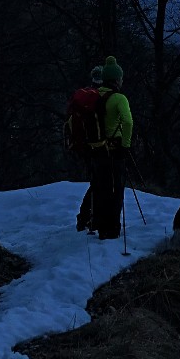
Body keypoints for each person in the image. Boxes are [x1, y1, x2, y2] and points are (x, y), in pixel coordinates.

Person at [87, 55, 133, 240]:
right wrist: (125, 145)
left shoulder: (94, 95)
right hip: (115, 150)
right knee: (116, 189)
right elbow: (128, 122)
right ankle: (112, 229)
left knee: (100, 187)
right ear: (116, 79)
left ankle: (97, 224)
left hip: (96, 150)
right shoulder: (119, 98)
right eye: (120, 78)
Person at [70, 65, 104, 233]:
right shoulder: (99, 97)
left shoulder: (83, 96)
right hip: (98, 147)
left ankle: (85, 218)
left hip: (84, 147)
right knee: (99, 184)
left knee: (96, 183)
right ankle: (88, 218)